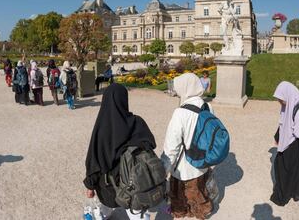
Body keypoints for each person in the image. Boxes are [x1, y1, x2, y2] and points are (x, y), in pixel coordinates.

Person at [84, 83, 155, 219]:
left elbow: (94, 161)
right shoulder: (137, 122)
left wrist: (90, 186)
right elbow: (151, 144)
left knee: (103, 206)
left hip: (110, 188)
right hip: (138, 183)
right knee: (138, 212)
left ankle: (103, 214)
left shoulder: (103, 128)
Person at [161, 73, 214, 219]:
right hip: (202, 163)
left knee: (181, 204)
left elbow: (172, 147)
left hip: (184, 168)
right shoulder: (207, 106)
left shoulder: (180, 113)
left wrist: (164, 169)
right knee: (199, 196)